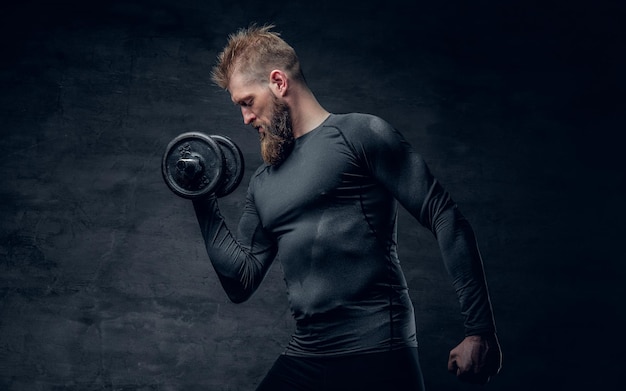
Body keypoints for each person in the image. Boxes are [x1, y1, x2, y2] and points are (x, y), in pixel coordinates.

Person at [193, 24, 502, 390]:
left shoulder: (360, 135)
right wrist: (201, 194)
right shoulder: (263, 182)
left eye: (247, 102)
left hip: (377, 354)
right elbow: (240, 281)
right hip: (307, 354)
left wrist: (479, 331)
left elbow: (446, 216)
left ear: (278, 82)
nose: (245, 119)